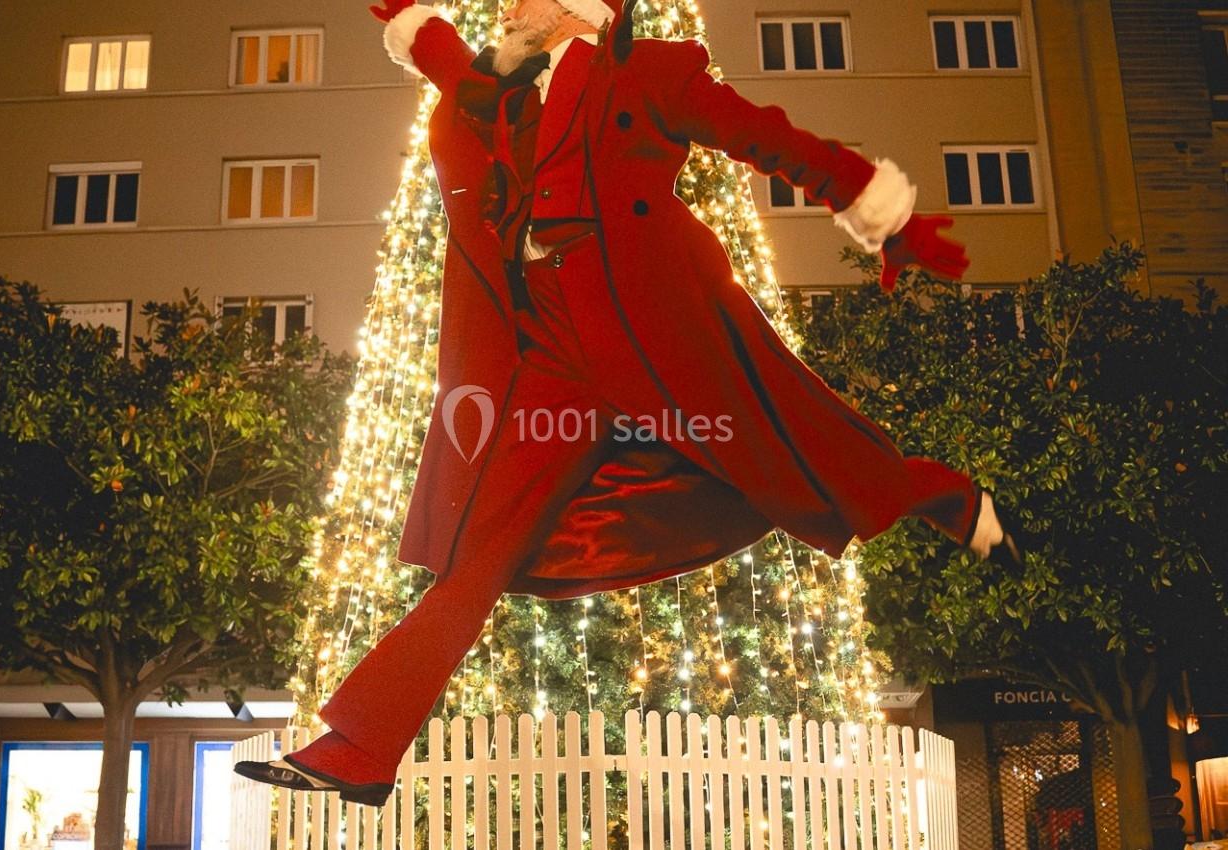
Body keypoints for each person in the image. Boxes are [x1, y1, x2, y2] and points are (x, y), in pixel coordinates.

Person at [235, 0, 1022, 804]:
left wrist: (883, 216)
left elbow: (770, 139)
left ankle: (942, 494)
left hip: (653, 330)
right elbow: (446, 62)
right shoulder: (498, 86)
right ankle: (363, 749)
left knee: (790, 453)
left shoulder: (649, 73)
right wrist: (408, 16)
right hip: (547, 348)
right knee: (479, 549)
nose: (511, 6)